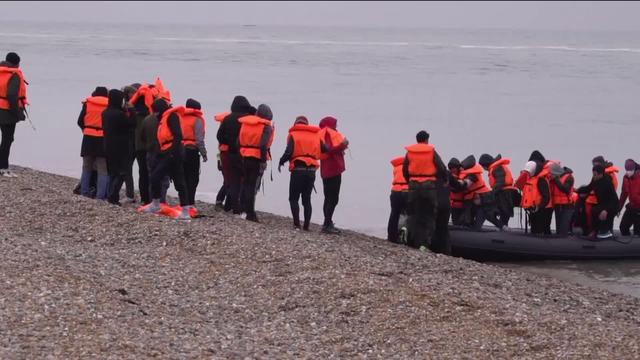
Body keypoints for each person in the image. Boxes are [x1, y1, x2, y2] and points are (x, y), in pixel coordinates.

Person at [140, 99, 191, 219]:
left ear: (159, 110)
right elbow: (161, 139)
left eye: (155, 112)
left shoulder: (171, 116)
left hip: (174, 152)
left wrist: (172, 153)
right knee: (164, 177)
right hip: (166, 151)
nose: (155, 115)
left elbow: (178, 135)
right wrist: (159, 153)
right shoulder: (162, 119)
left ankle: (183, 211)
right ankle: (158, 204)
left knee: (171, 179)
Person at [402, 131, 447, 251]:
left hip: (413, 186)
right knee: (429, 215)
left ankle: (410, 239)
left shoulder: (410, 153)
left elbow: (405, 169)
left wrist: (409, 181)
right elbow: (441, 167)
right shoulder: (431, 151)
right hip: (429, 187)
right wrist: (445, 179)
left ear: (417, 140)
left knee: (413, 214)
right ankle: (425, 244)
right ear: (427, 140)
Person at [278, 116, 323, 230]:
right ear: (307, 124)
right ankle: (306, 225)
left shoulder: (294, 134)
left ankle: (297, 224)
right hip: (311, 171)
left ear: (296, 124)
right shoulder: (316, 135)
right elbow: (325, 149)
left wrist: (281, 161)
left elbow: (289, 152)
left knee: (293, 198)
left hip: (298, 170)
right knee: (306, 199)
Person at [217, 96, 256, 214]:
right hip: (245, 153)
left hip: (230, 153)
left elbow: (219, 136)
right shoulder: (249, 119)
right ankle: (245, 208)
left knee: (234, 181)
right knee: (246, 181)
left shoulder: (227, 119)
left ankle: (234, 207)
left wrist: (227, 143)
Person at [238, 104, 273, 222]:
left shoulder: (246, 123)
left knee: (245, 183)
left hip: (244, 156)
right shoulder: (266, 127)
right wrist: (263, 161)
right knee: (252, 186)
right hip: (256, 158)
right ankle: (250, 213)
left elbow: (238, 141)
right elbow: (263, 145)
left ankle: (242, 209)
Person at [102, 89, 136, 205]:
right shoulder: (119, 114)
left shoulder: (105, 113)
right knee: (122, 172)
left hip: (108, 145)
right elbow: (132, 124)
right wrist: (131, 109)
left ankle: (111, 195)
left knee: (112, 172)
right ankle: (113, 196)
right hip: (121, 147)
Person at [77, 86, 109, 199]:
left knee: (86, 167)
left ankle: (84, 192)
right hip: (103, 138)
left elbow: (80, 121)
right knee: (102, 169)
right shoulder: (108, 105)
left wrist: (85, 130)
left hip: (88, 138)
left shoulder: (88, 104)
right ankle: (100, 196)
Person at [318, 116, 349, 234]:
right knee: (333, 198)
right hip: (332, 170)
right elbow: (329, 150)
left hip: (327, 170)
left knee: (329, 197)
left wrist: (341, 149)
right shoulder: (327, 134)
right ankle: (327, 224)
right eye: (335, 124)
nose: (336, 127)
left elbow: (329, 150)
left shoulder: (323, 134)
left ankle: (327, 222)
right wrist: (342, 146)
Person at [457, 155, 503, 230]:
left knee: (487, 217)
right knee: (484, 217)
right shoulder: (468, 173)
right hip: (480, 200)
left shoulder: (472, 175)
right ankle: (503, 227)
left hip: (484, 200)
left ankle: (503, 228)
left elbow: (466, 183)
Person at [0, 52, 27, 177]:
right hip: (7, 112)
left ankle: (3, 166)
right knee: (7, 140)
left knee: (5, 140)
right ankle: (3, 168)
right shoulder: (14, 75)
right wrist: (17, 113)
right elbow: (11, 95)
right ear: (16, 63)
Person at [181, 98, 208, 208]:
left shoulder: (180, 118)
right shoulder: (197, 120)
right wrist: (204, 153)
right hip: (192, 151)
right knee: (193, 178)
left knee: (184, 176)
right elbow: (199, 139)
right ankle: (190, 202)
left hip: (180, 150)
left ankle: (184, 202)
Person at [579, 164, 619, 239]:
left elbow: (614, 200)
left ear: (600, 174)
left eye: (595, 175)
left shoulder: (607, 183)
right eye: (593, 174)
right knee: (594, 210)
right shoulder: (595, 181)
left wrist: (606, 210)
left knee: (602, 213)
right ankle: (595, 231)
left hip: (612, 206)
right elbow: (588, 188)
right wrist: (577, 190)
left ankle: (606, 232)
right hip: (602, 205)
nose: (593, 176)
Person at [478, 154, 517, 228]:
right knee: (502, 215)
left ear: (486, 164)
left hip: (504, 195)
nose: (483, 168)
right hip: (505, 193)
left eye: (483, 166)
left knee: (499, 214)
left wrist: (491, 193)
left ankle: (503, 228)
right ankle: (503, 227)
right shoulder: (496, 167)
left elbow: (500, 182)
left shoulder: (497, 168)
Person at [520, 160, 552, 235]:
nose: (527, 173)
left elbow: (546, 196)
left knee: (540, 229)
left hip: (542, 210)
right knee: (534, 229)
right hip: (533, 209)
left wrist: (539, 206)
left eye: (529, 172)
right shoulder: (530, 179)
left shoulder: (541, 180)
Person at [548, 162, 575, 236]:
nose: (551, 175)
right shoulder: (555, 179)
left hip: (566, 206)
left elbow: (565, 189)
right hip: (557, 205)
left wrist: (556, 180)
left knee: (563, 228)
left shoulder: (569, 177)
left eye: (552, 173)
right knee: (558, 228)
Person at [387, 156, 409, 243]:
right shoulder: (410, 167)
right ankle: (406, 236)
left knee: (394, 214)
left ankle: (391, 237)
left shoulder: (396, 167)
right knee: (408, 214)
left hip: (395, 191)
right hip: (407, 191)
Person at [213, 111, 231, 210]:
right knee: (227, 182)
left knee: (227, 181)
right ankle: (220, 200)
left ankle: (221, 200)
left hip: (222, 157)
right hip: (225, 157)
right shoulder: (224, 132)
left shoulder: (221, 131)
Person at [619, 159, 640, 236]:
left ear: (634, 169)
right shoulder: (625, 178)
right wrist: (619, 208)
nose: (628, 171)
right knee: (623, 228)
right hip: (631, 206)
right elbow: (623, 194)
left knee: (637, 233)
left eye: (630, 170)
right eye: (627, 170)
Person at [447, 158, 465, 225]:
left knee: (461, 223)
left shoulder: (464, 176)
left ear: (458, 168)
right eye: (450, 168)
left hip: (463, 205)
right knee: (455, 222)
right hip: (453, 205)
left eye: (454, 168)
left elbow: (462, 187)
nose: (452, 170)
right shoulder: (449, 177)